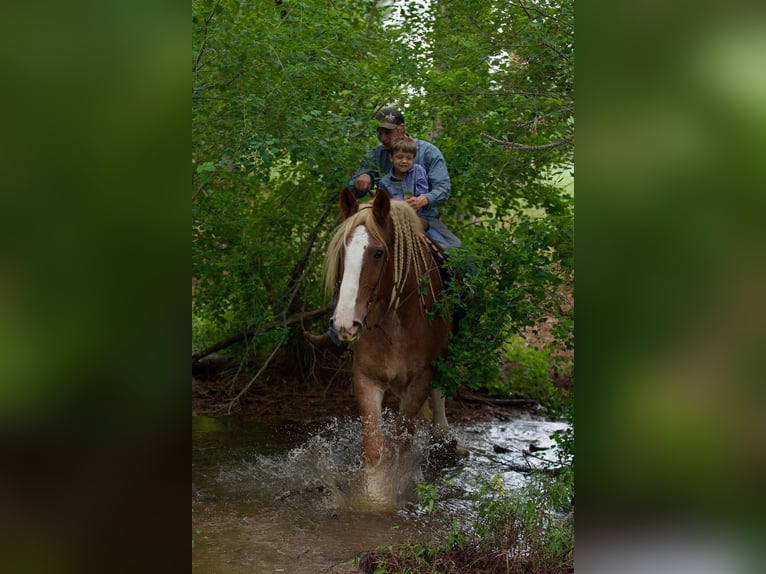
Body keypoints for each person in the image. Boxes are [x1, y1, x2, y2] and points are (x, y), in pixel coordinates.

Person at [304, 106, 460, 354]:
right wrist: (361, 179)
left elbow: (443, 188)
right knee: (352, 256)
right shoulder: (376, 155)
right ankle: (337, 330)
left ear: (402, 128)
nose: (383, 138)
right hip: (382, 220)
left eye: (387, 132)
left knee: (458, 256)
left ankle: (456, 320)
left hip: (422, 217)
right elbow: (353, 188)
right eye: (380, 132)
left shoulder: (428, 152)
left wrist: (424, 200)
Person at [379, 135, 457, 250]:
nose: (404, 161)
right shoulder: (385, 182)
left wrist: (417, 201)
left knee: (448, 249)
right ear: (391, 157)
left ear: (413, 158)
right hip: (397, 222)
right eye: (399, 157)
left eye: (408, 158)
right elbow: (383, 206)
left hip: (423, 219)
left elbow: (423, 191)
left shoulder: (418, 171)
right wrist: (399, 206)